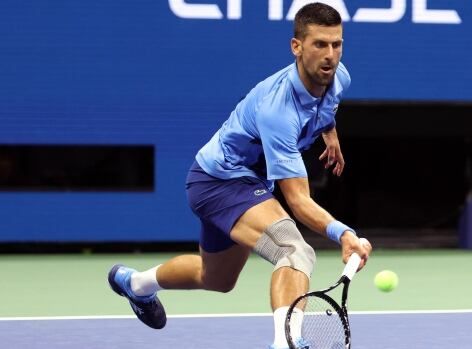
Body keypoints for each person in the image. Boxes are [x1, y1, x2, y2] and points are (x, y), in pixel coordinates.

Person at [107, 3, 372, 348]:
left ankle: (135, 284)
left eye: (336, 44)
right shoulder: (279, 111)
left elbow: (325, 106)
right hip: (220, 182)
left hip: (234, 181)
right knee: (294, 252)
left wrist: (329, 132)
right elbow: (297, 200)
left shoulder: (339, 78)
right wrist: (344, 233)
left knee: (215, 277)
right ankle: (287, 342)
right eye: (319, 44)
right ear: (297, 47)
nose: (330, 55)